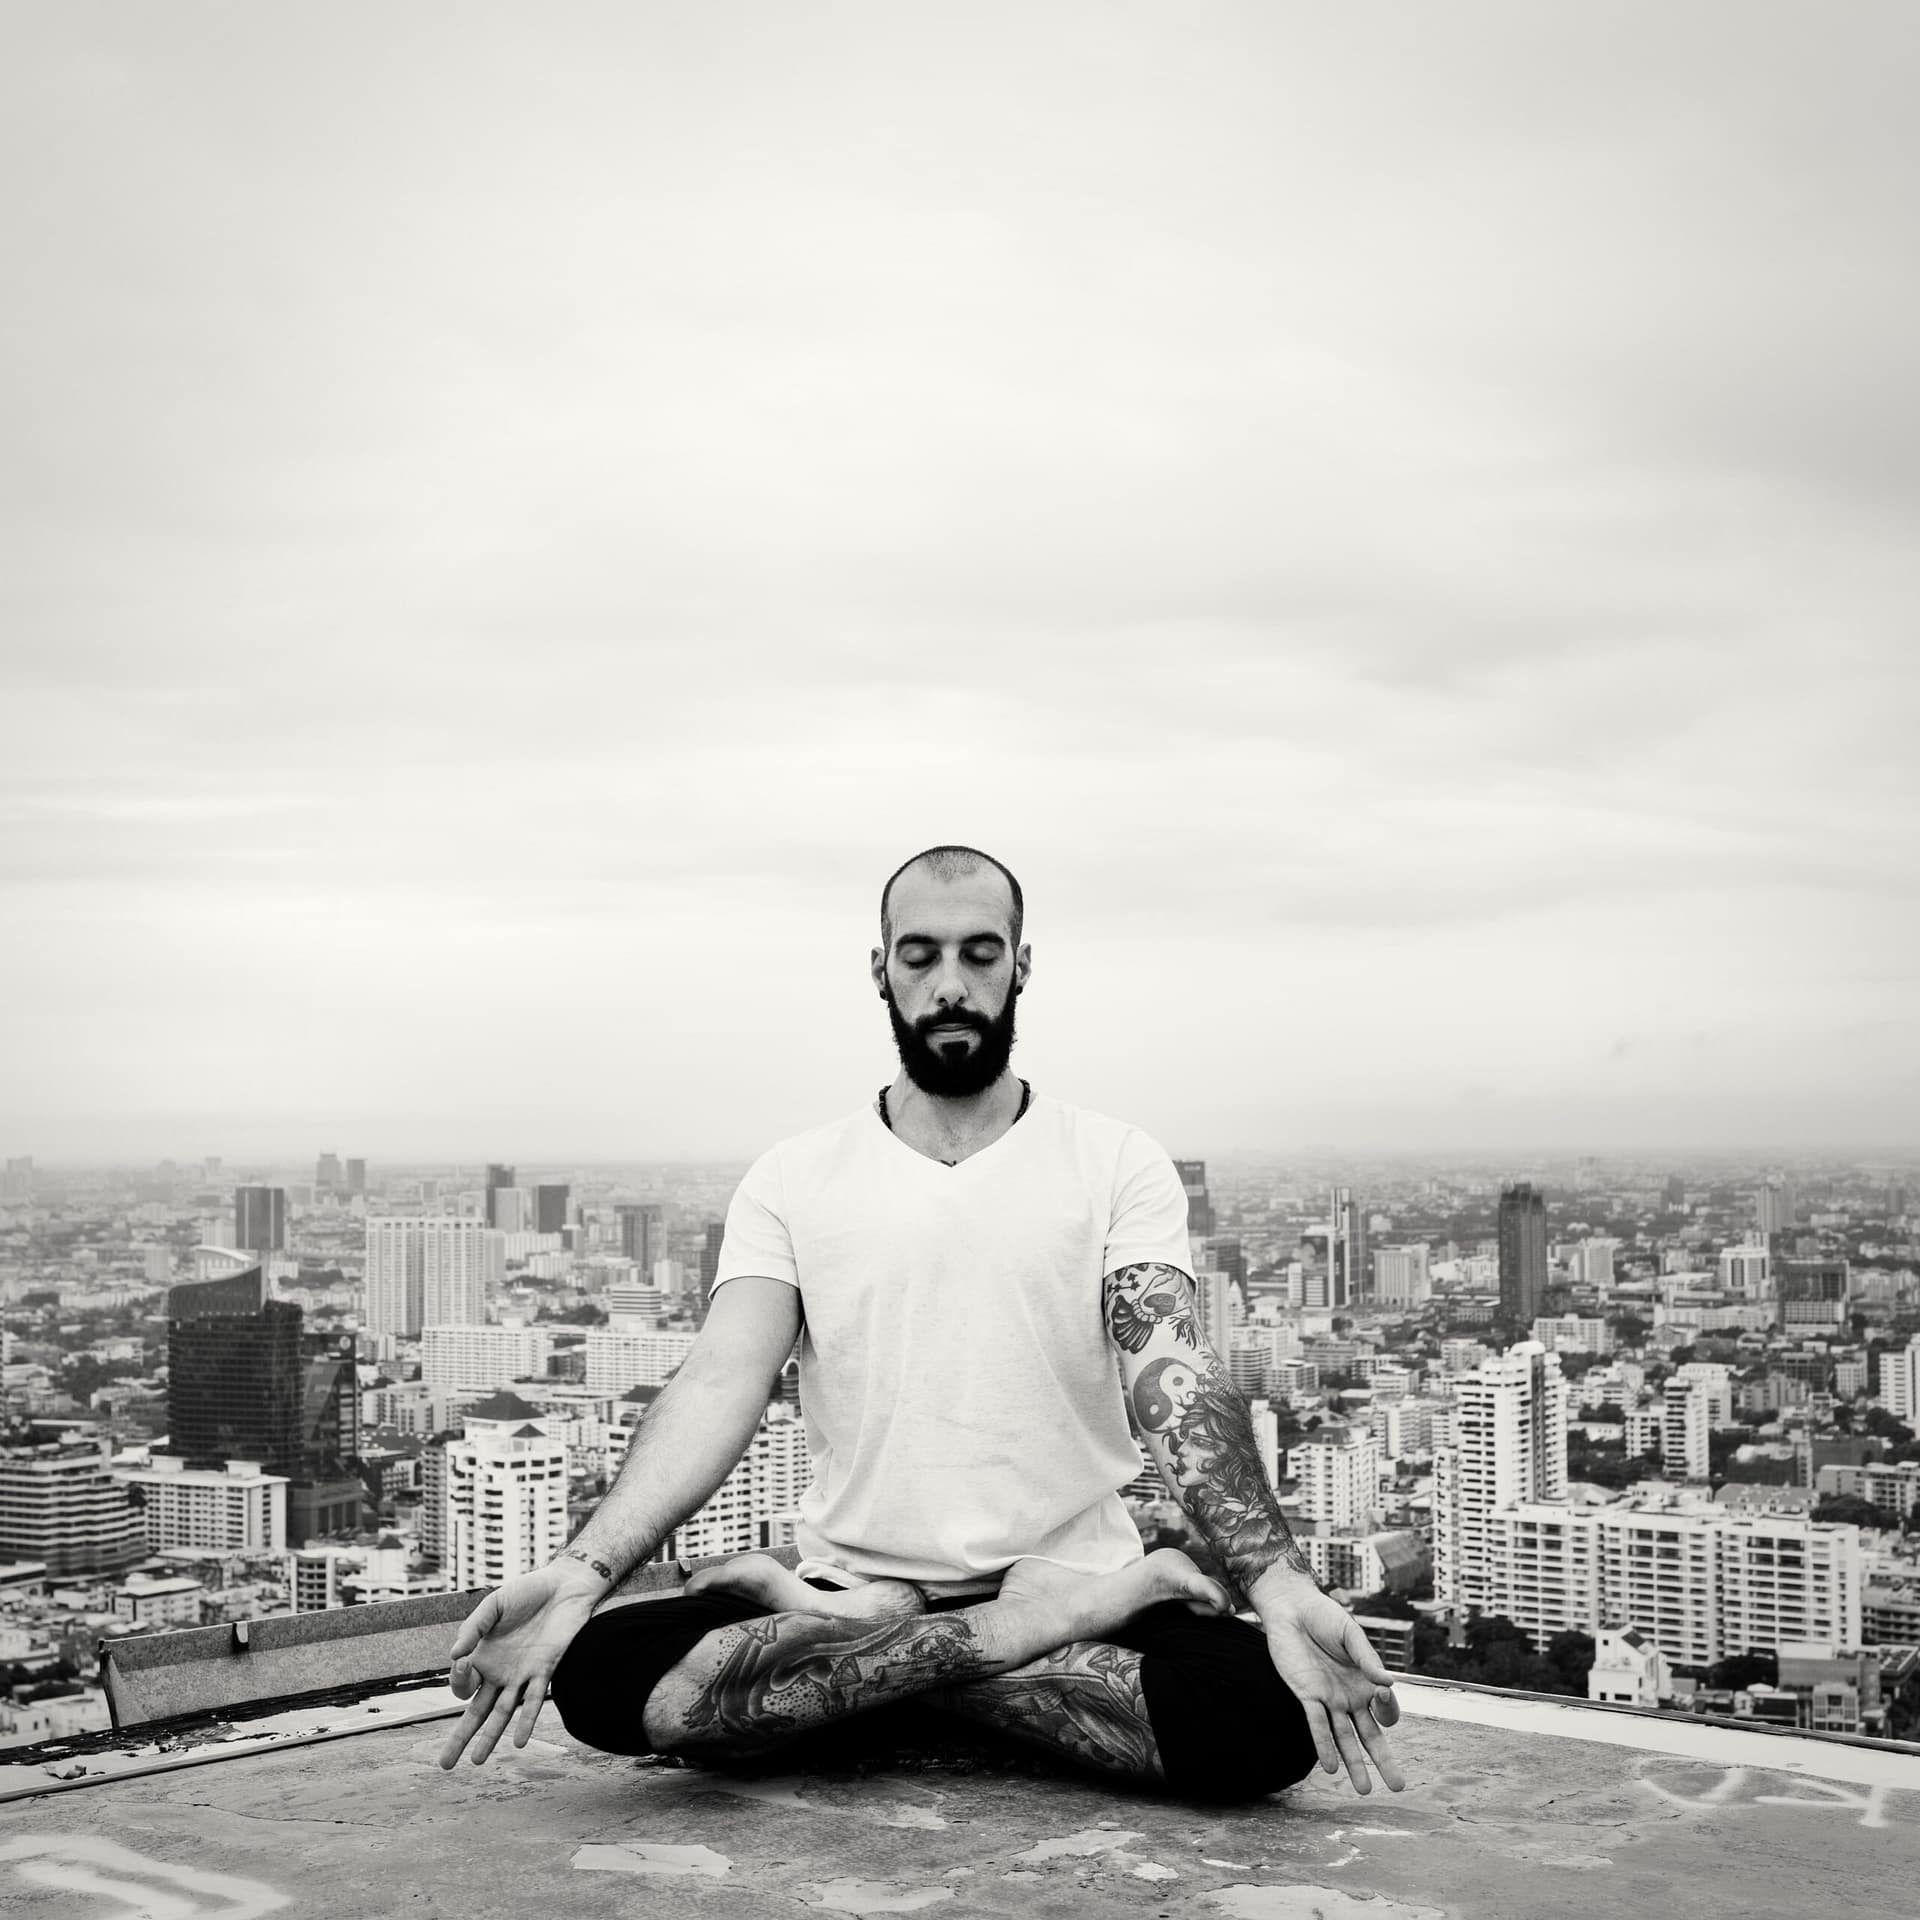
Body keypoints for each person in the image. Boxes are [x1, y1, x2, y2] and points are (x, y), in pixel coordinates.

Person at [438, 845, 1403, 1802]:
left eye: (980, 954)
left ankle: (870, 1664)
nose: (950, 984)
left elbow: (1169, 1373)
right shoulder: (795, 1176)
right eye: (920, 955)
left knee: (1262, 1718)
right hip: (870, 1584)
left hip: (1066, 1575)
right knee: (602, 1674)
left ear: (1021, 966)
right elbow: (722, 1379)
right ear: (881, 969)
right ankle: (1010, 1638)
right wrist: (584, 1570)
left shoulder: (1114, 1161)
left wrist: (1279, 1582)